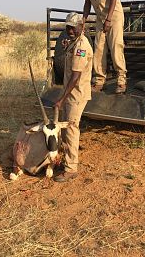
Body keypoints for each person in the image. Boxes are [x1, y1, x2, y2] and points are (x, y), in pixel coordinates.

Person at [54, 12, 93, 182]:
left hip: (76, 94)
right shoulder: (75, 42)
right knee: (66, 126)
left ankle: (70, 168)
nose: (69, 30)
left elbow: (75, 76)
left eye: (73, 27)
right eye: (67, 27)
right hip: (71, 93)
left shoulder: (81, 47)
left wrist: (62, 99)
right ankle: (66, 154)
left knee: (70, 128)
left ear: (81, 27)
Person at [79, 0, 127, 93]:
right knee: (99, 48)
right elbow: (87, 2)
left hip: (114, 15)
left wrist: (109, 20)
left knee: (116, 47)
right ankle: (99, 81)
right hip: (100, 18)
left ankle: (121, 81)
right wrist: (83, 20)